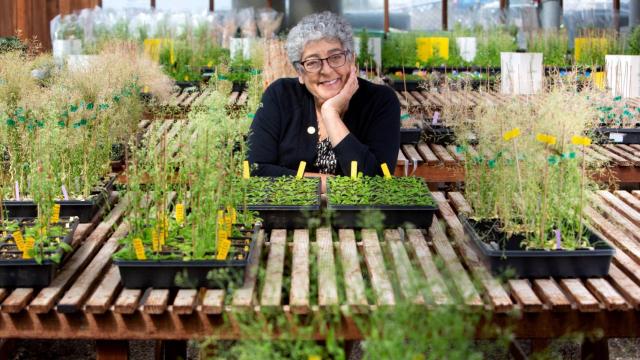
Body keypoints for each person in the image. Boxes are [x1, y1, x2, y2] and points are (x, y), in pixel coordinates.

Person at [247, 11, 400, 187]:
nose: (326, 70)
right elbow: (255, 170)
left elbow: (376, 181)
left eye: (336, 57)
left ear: (352, 60)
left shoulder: (380, 100)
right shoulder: (280, 95)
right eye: (312, 62)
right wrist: (327, 184)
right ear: (300, 73)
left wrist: (330, 113)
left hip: (359, 215)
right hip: (287, 213)